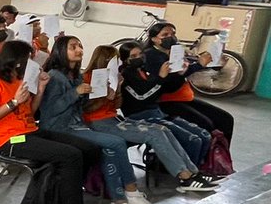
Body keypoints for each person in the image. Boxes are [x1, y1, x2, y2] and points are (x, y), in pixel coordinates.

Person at [0, 41, 90, 204]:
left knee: (88, 148)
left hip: (30, 131)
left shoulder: (21, 80)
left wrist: (41, 89)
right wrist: (13, 103)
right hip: (10, 139)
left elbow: (30, 111)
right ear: (16, 60)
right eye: (29, 58)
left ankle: (62, 201)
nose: (32, 62)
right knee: (70, 155)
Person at [39, 36, 151, 204]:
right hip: (58, 128)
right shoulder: (55, 76)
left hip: (76, 125)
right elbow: (51, 110)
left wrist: (106, 93)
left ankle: (119, 201)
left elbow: (79, 108)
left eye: (80, 46)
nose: (79, 50)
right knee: (115, 142)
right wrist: (75, 93)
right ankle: (130, 191)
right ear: (61, 52)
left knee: (111, 149)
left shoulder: (77, 76)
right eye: (73, 47)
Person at [82, 45, 217, 193]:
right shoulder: (89, 78)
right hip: (98, 122)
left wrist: (117, 89)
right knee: (154, 134)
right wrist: (105, 96)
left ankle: (192, 171)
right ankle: (184, 176)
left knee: (162, 129)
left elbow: (116, 105)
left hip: (114, 118)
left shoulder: (116, 76)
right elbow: (87, 108)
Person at [117, 41, 215, 169]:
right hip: (140, 116)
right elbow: (142, 96)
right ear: (126, 60)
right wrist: (161, 78)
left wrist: (178, 73)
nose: (139, 58)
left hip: (158, 112)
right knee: (193, 140)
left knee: (204, 135)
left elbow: (163, 89)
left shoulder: (145, 70)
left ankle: (196, 169)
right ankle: (188, 174)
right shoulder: (126, 76)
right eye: (133, 56)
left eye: (140, 54)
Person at [142, 21, 234, 141]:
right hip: (164, 99)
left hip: (181, 96)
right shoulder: (152, 56)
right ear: (154, 39)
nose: (170, 37)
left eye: (173, 34)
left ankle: (220, 155)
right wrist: (198, 65)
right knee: (206, 125)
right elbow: (170, 83)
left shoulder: (175, 51)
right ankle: (199, 156)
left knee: (226, 119)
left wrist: (209, 63)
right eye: (165, 35)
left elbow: (183, 71)